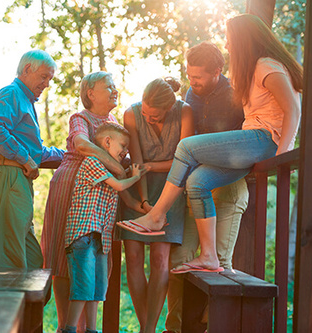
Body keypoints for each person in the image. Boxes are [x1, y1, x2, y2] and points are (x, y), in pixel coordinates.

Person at [117, 13, 302, 276]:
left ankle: (156, 215)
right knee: (197, 182)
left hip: (264, 140)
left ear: (243, 40)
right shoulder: (251, 71)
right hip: (251, 143)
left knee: (187, 147)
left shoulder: (266, 65)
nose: (227, 46)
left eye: (230, 40)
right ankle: (209, 256)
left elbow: (293, 109)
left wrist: (282, 156)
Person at [164, 41, 250, 333]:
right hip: (195, 190)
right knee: (179, 260)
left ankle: (213, 327)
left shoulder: (238, 94)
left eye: (198, 77)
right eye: (190, 76)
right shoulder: (191, 94)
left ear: (217, 71)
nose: (193, 82)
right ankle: (173, 329)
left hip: (227, 188)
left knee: (221, 266)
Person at [41, 71, 128, 332]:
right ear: (90, 93)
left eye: (114, 86)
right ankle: (65, 325)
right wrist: (116, 166)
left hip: (101, 196)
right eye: (108, 86)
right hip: (71, 188)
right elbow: (82, 144)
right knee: (63, 255)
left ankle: (85, 327)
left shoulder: (113, 121)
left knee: (96, 257)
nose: (115, 90)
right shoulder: (81, 118)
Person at [117, 77, 194, 333]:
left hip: (172, 188)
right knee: (134, 257)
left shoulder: (184, 112)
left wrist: (153, 171)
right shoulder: (131, 114)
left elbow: (185, 159)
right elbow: (137, 161)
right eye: (145, 114)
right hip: (140, 187)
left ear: (169, 108)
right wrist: (145, 202)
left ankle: (149, 327)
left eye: (155, 116)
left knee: (161, 260)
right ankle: (146, 328)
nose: (148, 119)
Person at [0, 49, 65, 273]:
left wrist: (72, 154)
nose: (47, 84)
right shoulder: (11, 94)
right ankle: (0, 307)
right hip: (7, 176)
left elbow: (38, 153)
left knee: (32, 261)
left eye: (50, 79)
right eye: (44, 76)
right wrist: (24, 158)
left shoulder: (26, 102)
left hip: (18, 181)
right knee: (9, 262)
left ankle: (22, 307)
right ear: (27, 69)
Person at [62, 122, 149, 333]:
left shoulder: (110, 170)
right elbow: (119, 186)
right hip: (83, 235)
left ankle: (92, 329)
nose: (126, 151)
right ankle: (69, 329)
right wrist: (136, 176)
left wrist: (151, 211)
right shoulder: (92, 162)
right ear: (107, 142)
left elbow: (127, 199)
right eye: (123, 145)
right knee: (83, 287)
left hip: (102, 238)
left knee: (98, 289)